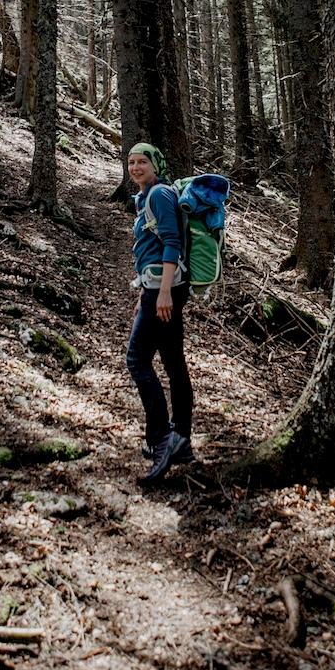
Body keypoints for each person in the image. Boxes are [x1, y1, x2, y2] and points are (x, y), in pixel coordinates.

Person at [125, 143, 194, 484]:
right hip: (157, 288)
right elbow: (150, 248)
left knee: (137, 360)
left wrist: (162, 292)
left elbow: (171, 242)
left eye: (142, 161)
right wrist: (146, 291)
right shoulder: (145, 196)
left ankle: (162, 440)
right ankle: (181, 437)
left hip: (165, 290)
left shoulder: (160, 195)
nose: (136, 167)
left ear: (156, 164)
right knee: (172, 361)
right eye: (131, 162)